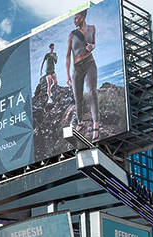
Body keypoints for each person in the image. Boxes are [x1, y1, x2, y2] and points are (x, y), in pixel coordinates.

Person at [66, 8, 100, 140]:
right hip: (76, 68)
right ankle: (80, 122)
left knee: (92, 92)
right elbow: (68, 56)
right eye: (73, 18)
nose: (75, 20)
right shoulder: (72, 34)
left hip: (90, 62)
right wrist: (68, 75)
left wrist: (92, 47)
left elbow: (94, 43)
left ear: (83, 16)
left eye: (77, 17)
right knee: (78, 97)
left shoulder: (92, 28)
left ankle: (96, 125)